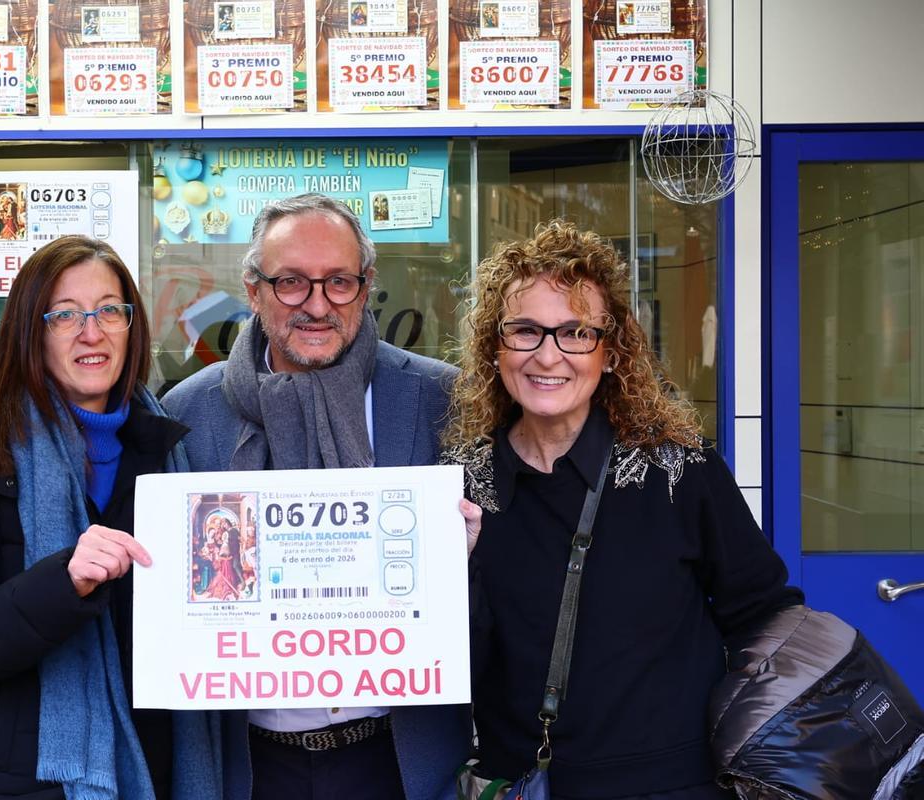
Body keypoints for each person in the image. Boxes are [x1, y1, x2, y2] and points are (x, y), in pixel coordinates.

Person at [443, 220, 804, 800]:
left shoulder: (677, 470)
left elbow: (766, 614)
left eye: (575, 333)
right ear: (495, 347)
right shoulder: (460, 484)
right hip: (523, 785)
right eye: (525, 331)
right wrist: (452, 576)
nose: (548, 355)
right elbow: (448, 656)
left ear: (610, 354)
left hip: (672, 785)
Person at [162, 193, 479, 800]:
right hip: (250, 767)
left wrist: (465, 557)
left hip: (398, 761)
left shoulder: (441, 400)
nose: (316, 304)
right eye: (290, 282)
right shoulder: (188, 413)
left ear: (366, 287)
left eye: (338, 281)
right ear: (253, 290)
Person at [0, 236, 221, 800]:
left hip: (147, 775)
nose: (91, 332)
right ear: (30, 331)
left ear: (131, 326)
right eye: (65, 315)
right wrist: (63, 581)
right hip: (11, 784)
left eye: (109, 311)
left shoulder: (168, 451)